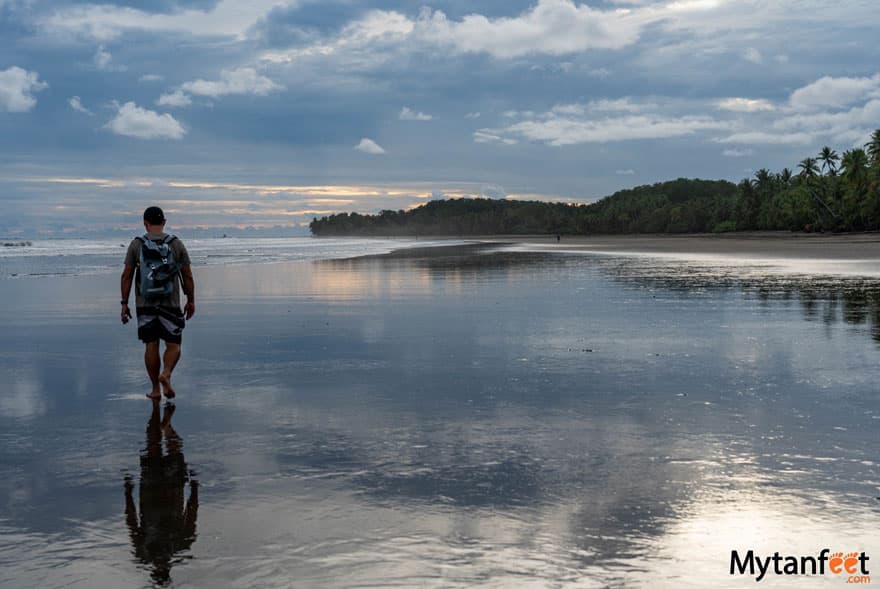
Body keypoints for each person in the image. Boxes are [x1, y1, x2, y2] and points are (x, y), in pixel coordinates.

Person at [121, 206, 195, 399]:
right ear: (164, 222)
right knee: (173, 344)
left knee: (151, 345)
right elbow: (187, 275)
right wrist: (191, 300)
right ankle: (166, 373)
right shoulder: (176, 244)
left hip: (145, 303)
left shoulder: (137, 245)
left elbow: (127, 276)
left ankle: (155, 389)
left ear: (145, 223)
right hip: (170, 303)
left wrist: (123, 304)